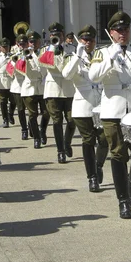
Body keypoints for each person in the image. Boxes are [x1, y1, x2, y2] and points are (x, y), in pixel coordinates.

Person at [89, 11, 131, 219]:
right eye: (119, 30)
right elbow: (94, 76)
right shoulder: (103, 52)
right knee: (118, 154)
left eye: (125, 29)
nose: (123, 34)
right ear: (111, 32)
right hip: (113, 110)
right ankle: (123, 201)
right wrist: (112, 56)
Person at [62, 25, 109, 192]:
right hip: (82, 106)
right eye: (85, 40)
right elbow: (66, 75)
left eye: (91, 40)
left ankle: (98, 165)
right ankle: (92, 177)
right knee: (88, 140)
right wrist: (77, 55)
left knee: (104, 140)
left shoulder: (101, 55)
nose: (88, 42)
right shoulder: (71, 57)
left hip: (102, 105)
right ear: (80, 41)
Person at [40, 22, 77, 163]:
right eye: (53, 35)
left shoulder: (72, 48)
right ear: (50, 36)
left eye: (58, 35)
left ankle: (67, 142)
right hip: (53, 89)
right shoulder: (45, 51)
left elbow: (72, 67)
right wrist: (53, 50)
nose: (56, 37)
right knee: (57, 121)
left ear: (63, 35)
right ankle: (60, 151)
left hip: (69, 89)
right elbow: (48, 67)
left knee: (72, 120)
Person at [21, 32, 49, 149]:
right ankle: (36, 138)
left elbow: (45, 67)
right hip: (29, 87)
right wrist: (26, 57)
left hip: (42, 87)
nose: (33, 44)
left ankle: (42, 130)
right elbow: (19, 68)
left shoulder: (44, 52)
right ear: (28, 43)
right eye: (31, 42)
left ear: (39, 42)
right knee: (32, 114)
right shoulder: (24, 53)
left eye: (35, 41)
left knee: (47, 112)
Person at [9, 34, 30, 140]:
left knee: (32, 110)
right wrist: (14, 60)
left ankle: (32, 125)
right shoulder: (14, 55)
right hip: (18, 86)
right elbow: (10, 71)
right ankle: (24, 130)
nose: (22, 46)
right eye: (20, 44)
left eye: (24, 44)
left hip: (30, 85)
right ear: (17, 44)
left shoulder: (32, 53)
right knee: (21, 110)